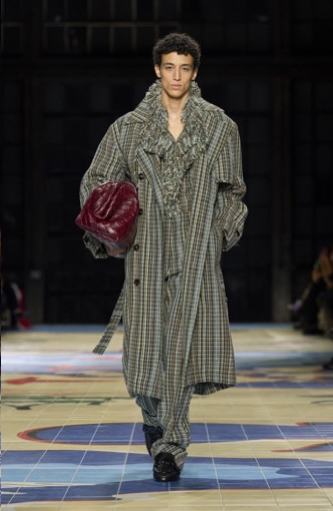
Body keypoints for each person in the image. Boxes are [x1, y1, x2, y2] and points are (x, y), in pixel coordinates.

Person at [78, 33, 247, 482]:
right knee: (142, 359)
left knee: (181, 352)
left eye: (184, 68)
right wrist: (110, 236)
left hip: (195, 254)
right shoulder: (128, 128)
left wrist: (218, 235)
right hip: (146, 254)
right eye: (169, 67)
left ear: (195, 72)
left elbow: (234, 192)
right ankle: (153, 418)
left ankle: (171, 446)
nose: (176, 76)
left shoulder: (220, 127)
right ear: (157, 69)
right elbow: (96, 183)